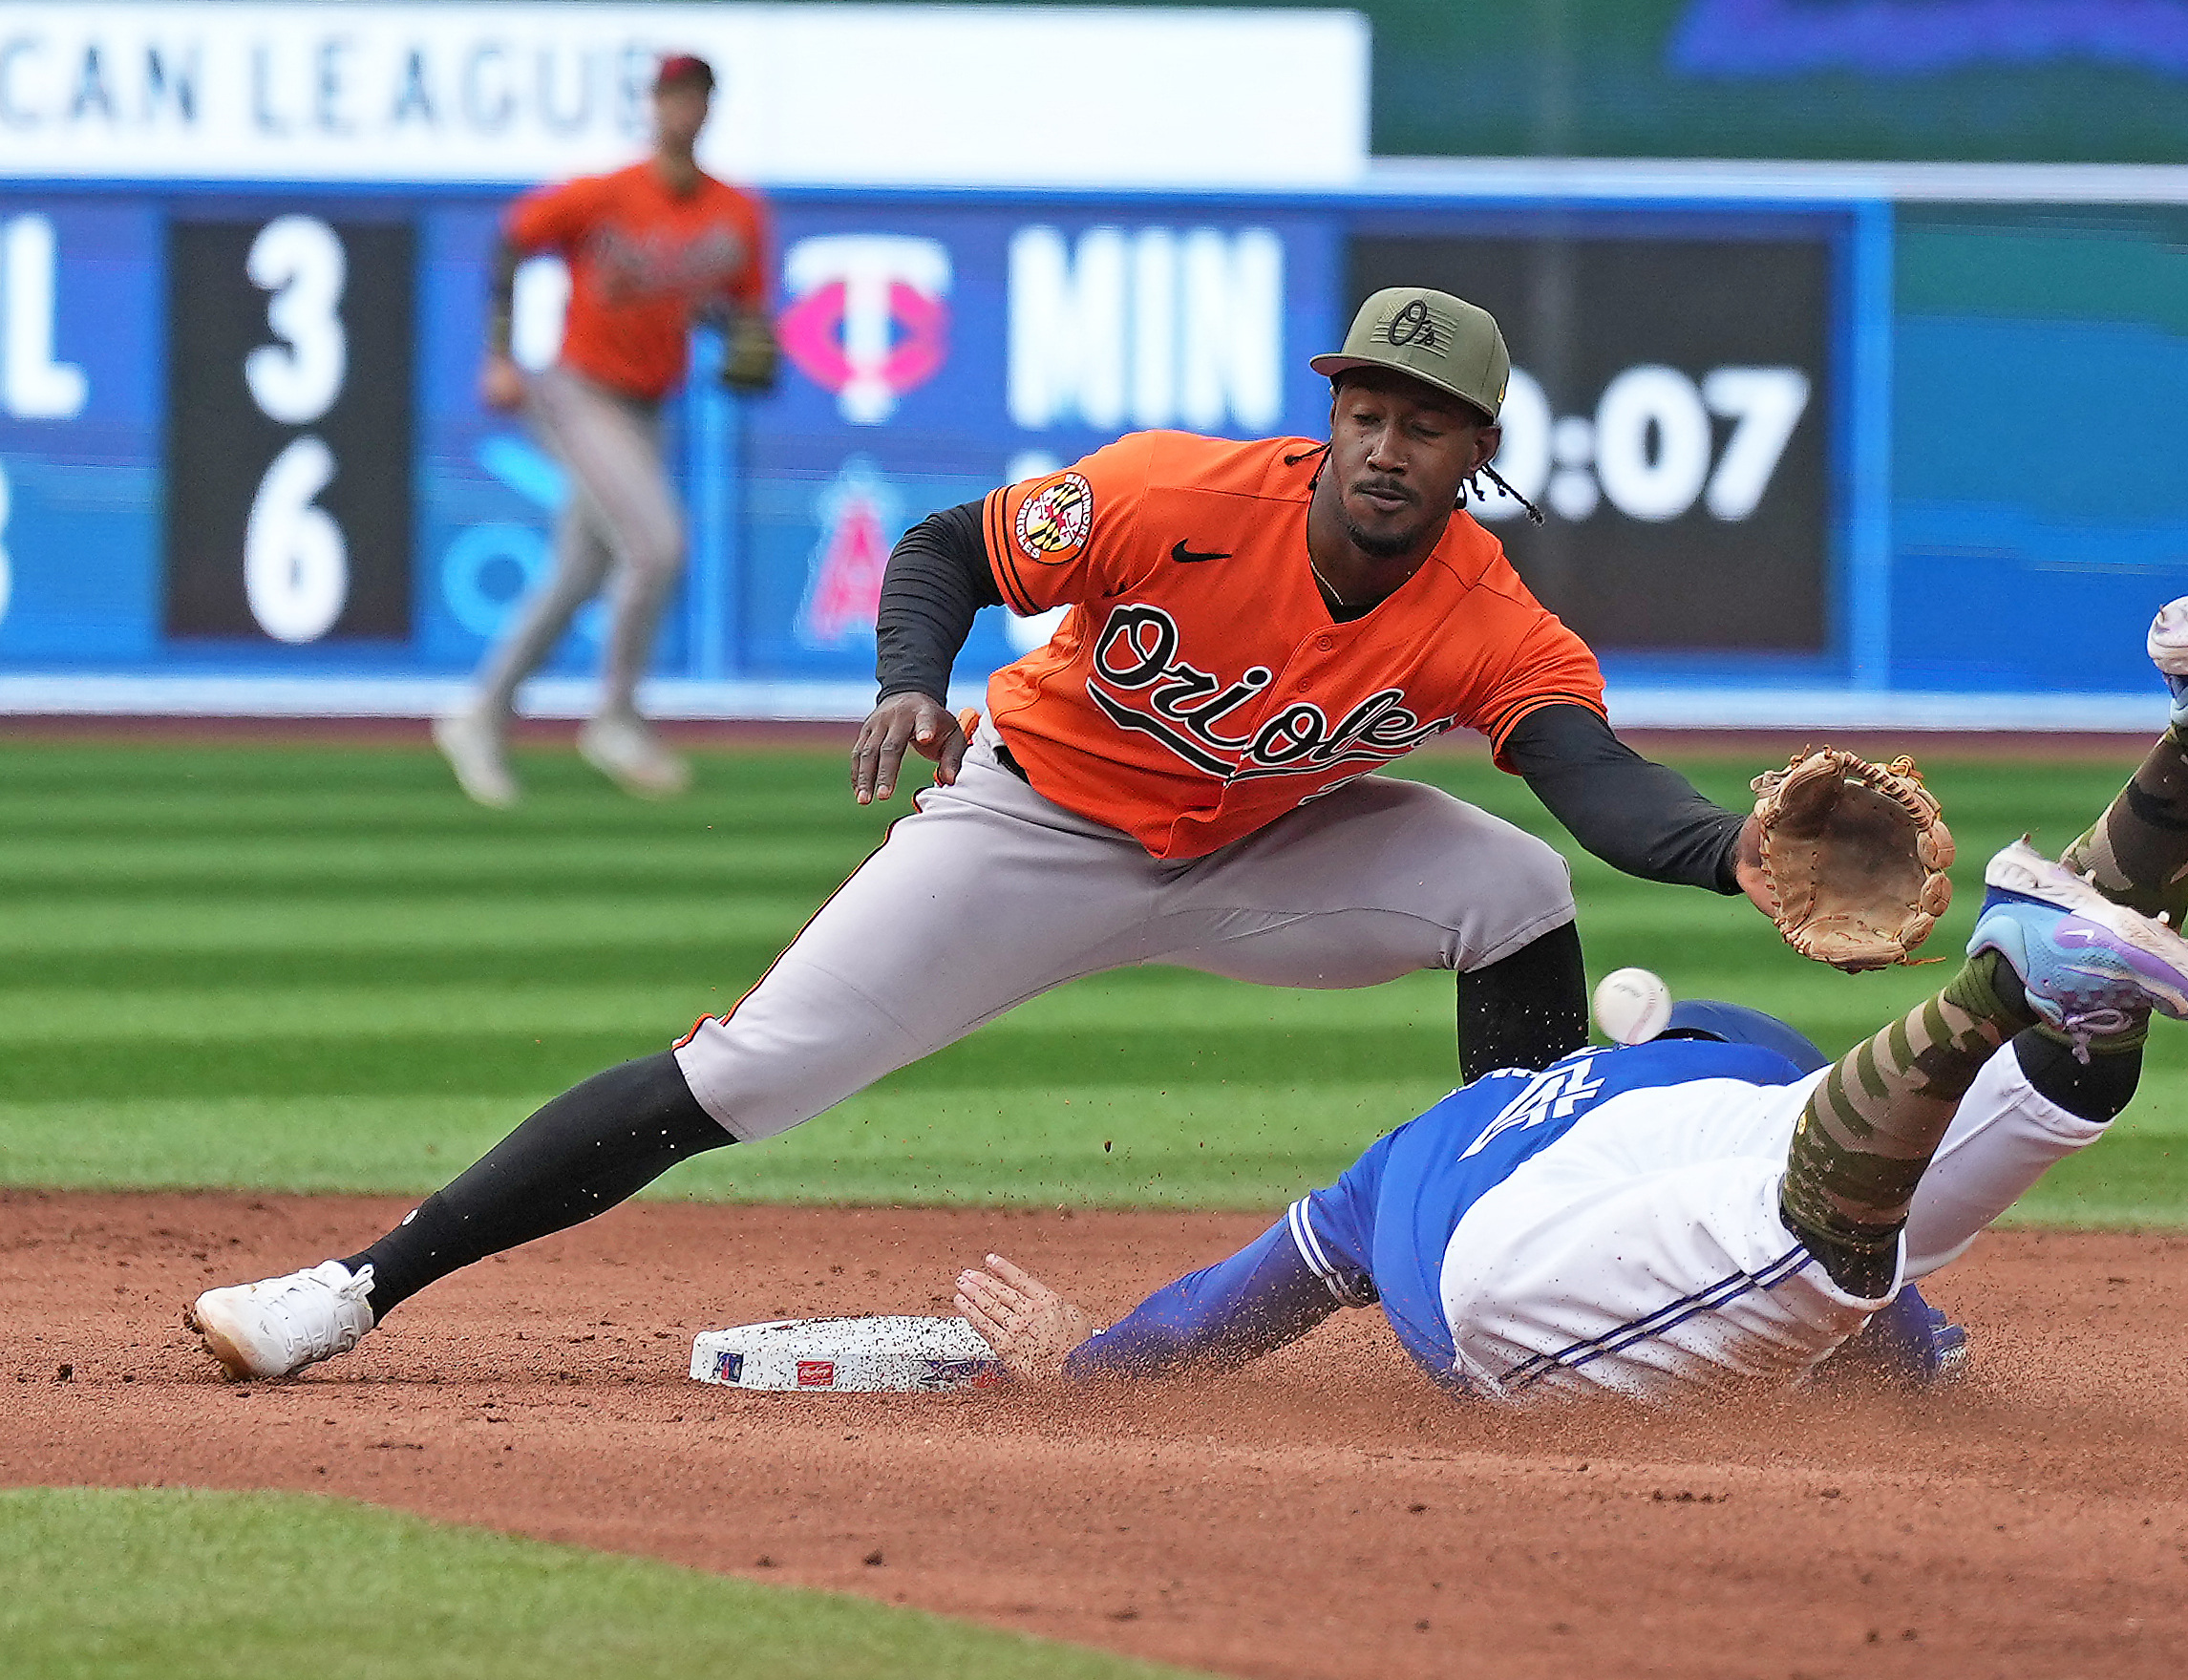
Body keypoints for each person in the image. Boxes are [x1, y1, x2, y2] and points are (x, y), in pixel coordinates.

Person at [191, 284, 1848, 1379]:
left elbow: (1590, 774)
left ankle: (1520, 1250)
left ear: (1478, 455)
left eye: (1424, 424)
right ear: (1329, 411)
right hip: (1031, 824)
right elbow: (940, 547)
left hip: (1258, 855)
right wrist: (912, 681)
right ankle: (348, 1288)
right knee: (745, 1078)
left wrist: (1727, 852)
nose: (1384, 444)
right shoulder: (1175, 497)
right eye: (1365, 408)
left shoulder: (1487, 620)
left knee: (1509, 879)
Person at [952, 567, 2188, 1401]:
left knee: (1826, 1242)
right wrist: (1916, 1351)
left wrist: (1078, 1371)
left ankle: (2011, 972)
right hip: (1727, 1132)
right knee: (2009, 1115)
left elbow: (1209, 1324)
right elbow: (1877, 1295)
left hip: (1522, 1260)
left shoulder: (1394, 1179)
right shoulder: (1710, 1060)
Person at [434, 52, 777, 808]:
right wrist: (498, 354)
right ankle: (616, 718)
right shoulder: (607, 194)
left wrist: (748, 341)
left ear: (708, 108)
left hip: (649, 404)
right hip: (578, 391)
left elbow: (736, 311)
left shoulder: (735, 213)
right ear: (651, 107)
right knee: (657, 548)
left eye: (692, 95)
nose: (679, 109)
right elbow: (514, 240)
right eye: (667, 95)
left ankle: (480, 716)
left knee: (580, 574)